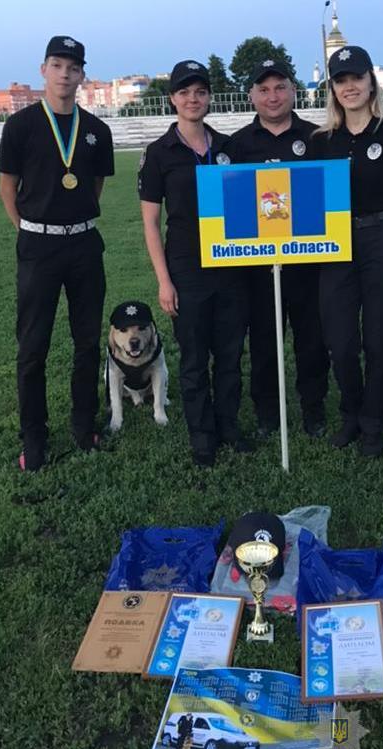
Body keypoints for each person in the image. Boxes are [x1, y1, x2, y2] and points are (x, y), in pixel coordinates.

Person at [0, 36, 114, 471]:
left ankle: (84, 426)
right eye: (58, 65)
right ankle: (35, 436)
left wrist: (71, 223)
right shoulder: (21, 126)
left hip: (84, 243)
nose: (66, 74)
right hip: (38, 246)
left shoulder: (97, 131)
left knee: (86, 342)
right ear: (43, 70)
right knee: (33, 347)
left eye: (74, 67)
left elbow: (95, 189)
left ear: (82, 75)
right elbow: (7, 188)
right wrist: (30, 229)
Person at [138, 60, 250, 468]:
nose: (192, 99)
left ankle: (229, 427)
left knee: (230, 354)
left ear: (209, 98)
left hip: (232, 267)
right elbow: (151, 222)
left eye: (200, 92)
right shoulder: (158, 154)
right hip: (185, 268)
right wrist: (164, 281)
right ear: (173, 99)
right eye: (185, 92)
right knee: (193, 358)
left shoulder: (227, 148)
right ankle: (202, 437)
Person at [309, 46, 383, 457]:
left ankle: (373, 423)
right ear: (332, 89)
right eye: (341, 80)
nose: (349, 87)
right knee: (340, 340)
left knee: (378, 339)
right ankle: (351, 412)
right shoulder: (322, 141)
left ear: (371, 81)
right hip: (336, 246)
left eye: (356, 78)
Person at [229, 59, 330, 439]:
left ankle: (313, 410)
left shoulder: (318, 137)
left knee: (312, 342)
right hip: (258, 269)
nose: (273, 97)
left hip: (307, 265)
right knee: (264, 346)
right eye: (264, 89)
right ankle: (267, 415)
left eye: (280, 87)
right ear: (252, 95)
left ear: (293, 91)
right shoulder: (237, 145)